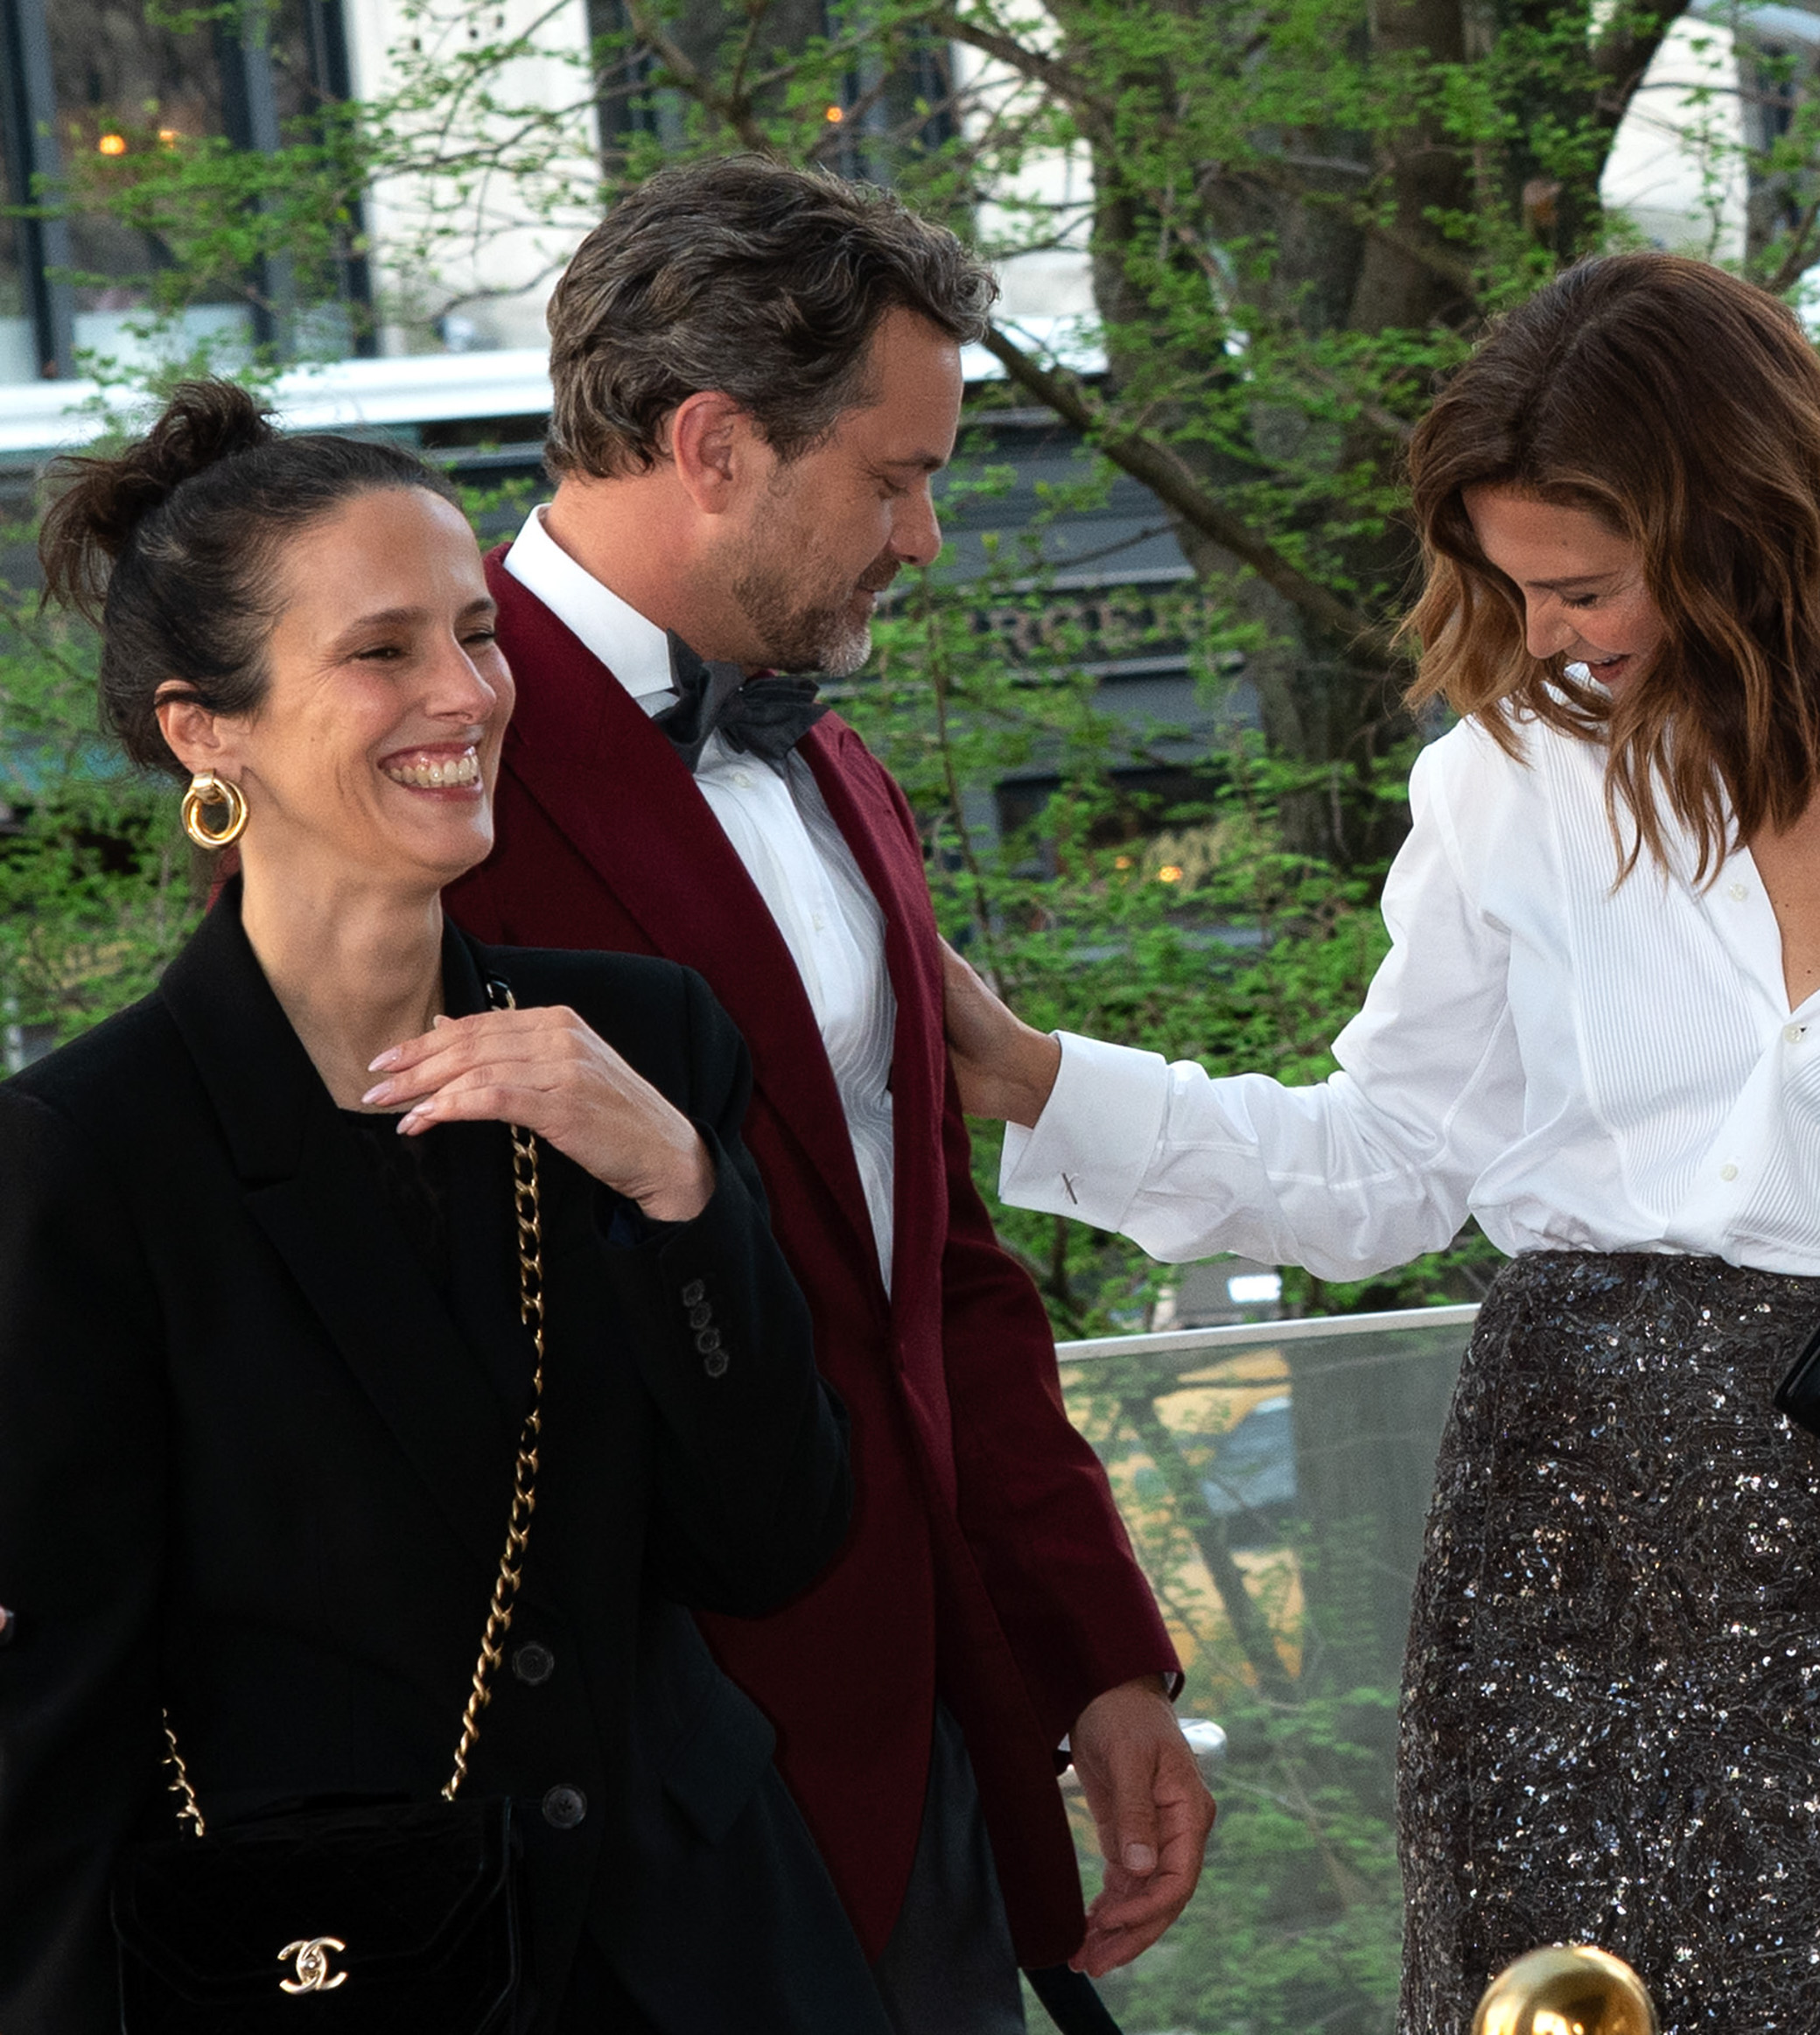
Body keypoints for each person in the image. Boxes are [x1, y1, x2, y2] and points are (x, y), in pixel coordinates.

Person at [943, 252, 1820, 2032]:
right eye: (1512, 590)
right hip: (1559, 1553)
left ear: (1739, 521)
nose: (1543, 638)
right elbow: (1390, 1159)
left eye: (1580, 585)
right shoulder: (1509, 770)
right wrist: (1043, 1077)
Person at [0, 382, 884, 2032]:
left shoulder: (649, 1037)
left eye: (477, 634)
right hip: (329, 1972)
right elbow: (54, 1715)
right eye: (382, 649)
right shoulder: (85, 1153)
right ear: (210, 732)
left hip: (705, 1956)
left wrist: (675, 1187)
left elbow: (775, 1539)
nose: (465, 694)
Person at [440, 155, 1208, 2030]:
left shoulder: (838, 772)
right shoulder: (407, 743)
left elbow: (926, 1273)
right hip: (617, 1803)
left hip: (923, 1747)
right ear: (711, 444)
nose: (927, 538)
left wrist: (1092, 1652)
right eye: (895, 476)